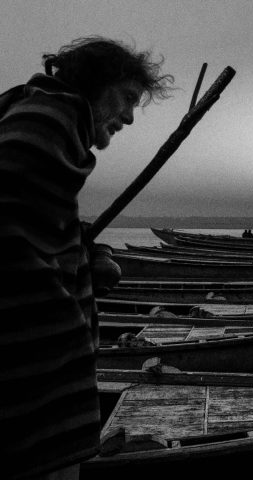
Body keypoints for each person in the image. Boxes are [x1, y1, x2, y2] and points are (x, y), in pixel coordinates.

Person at [0, 37, 173, 479]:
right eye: (127, 99)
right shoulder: (45, 122)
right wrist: (70, 313)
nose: (130, 118)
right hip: (31, 391)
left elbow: (39, 221)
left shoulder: (36, 113)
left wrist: (91, 253)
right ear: (96, 83)